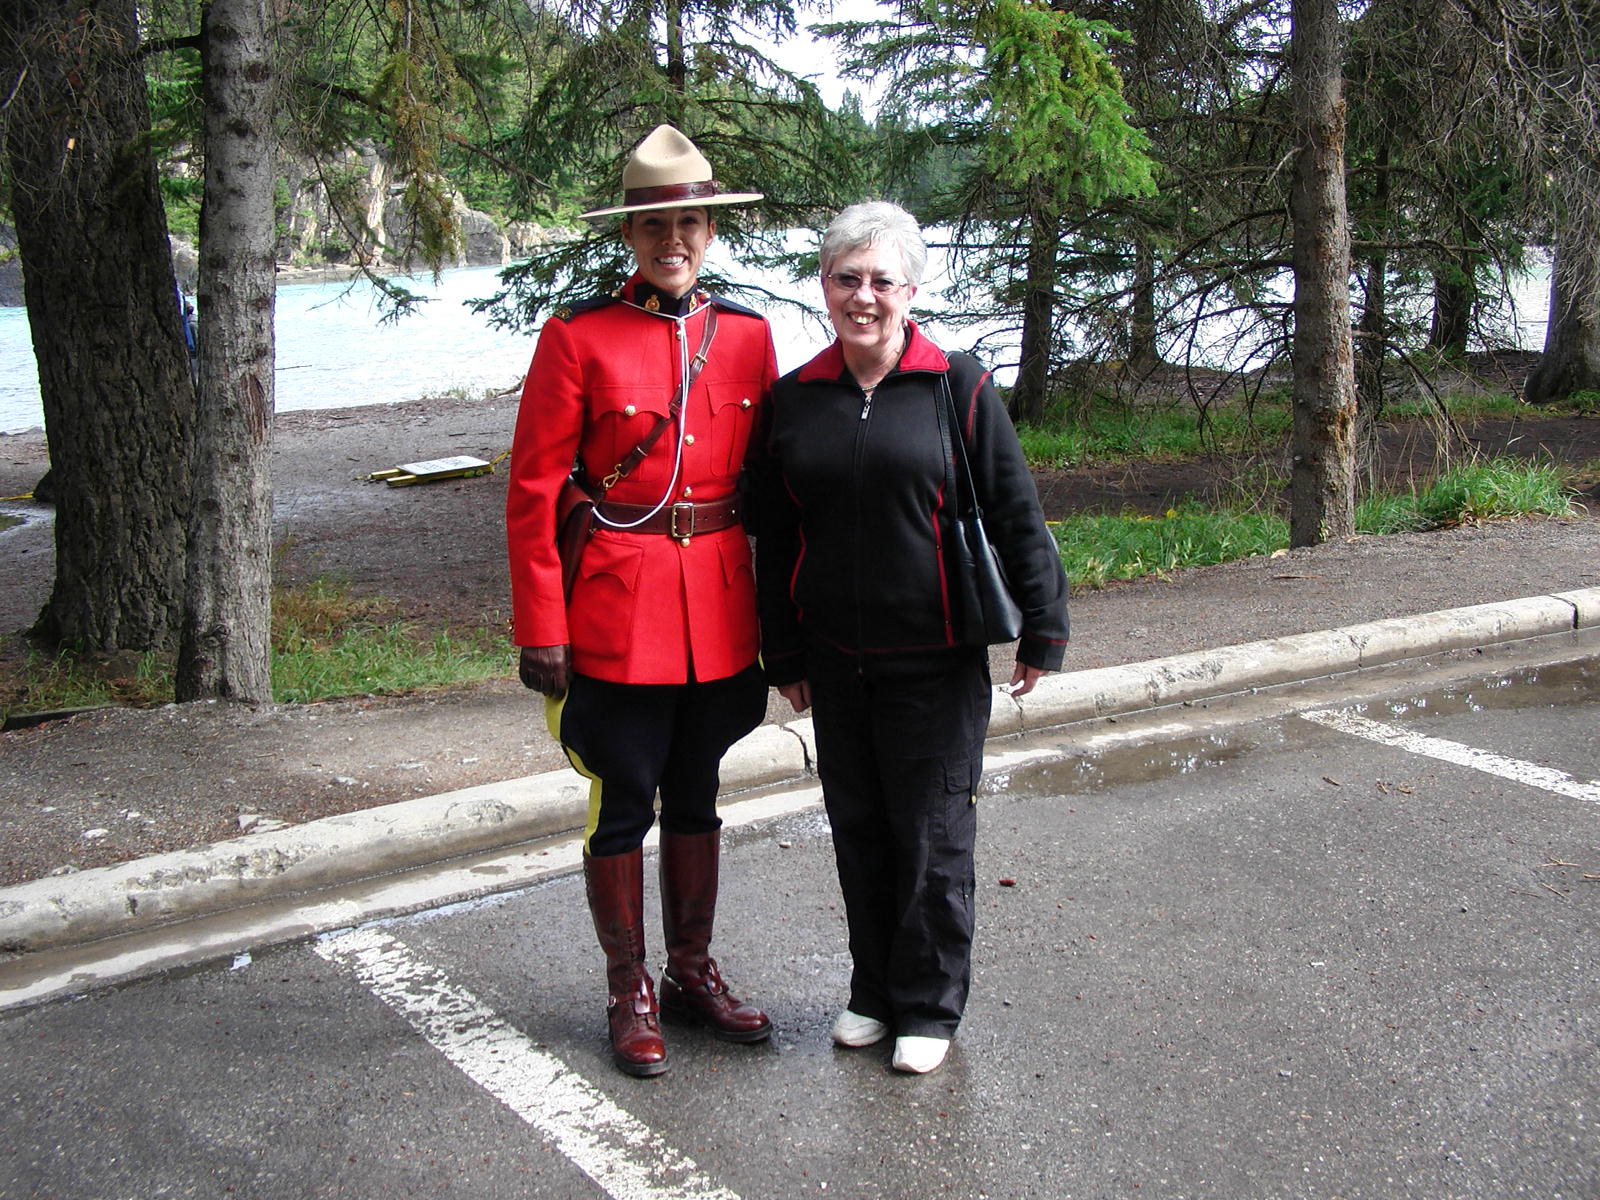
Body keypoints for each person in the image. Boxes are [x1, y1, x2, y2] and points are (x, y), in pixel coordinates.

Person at [749, 201, 1070, 1075]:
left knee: (931, 835)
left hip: (936, 659)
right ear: (824, 287)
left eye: (880, 281)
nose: (863, 297)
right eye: (846, 279)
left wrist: (1044, 626)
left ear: (912, 290)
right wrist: (785, 652)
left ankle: (928, 1003)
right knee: (859, 828)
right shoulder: (796, 399)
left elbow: (1015, 513)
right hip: (837, 663)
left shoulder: (956, 387)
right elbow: (772, 538)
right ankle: (874, 992)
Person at [505, 125, 777, 1078]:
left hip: (720, 607)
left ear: (710, 231)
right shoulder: (577, 336)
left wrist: (785, 620)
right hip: (614, 610)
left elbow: (773, 487)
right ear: (632, 234)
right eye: (657, 223)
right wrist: (542, 624)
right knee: (625, 798)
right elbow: (534, 490)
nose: (676, 240)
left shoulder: (745, 337)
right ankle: (629, 989)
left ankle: (691, 973)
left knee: (698, 789)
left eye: (692, 222)